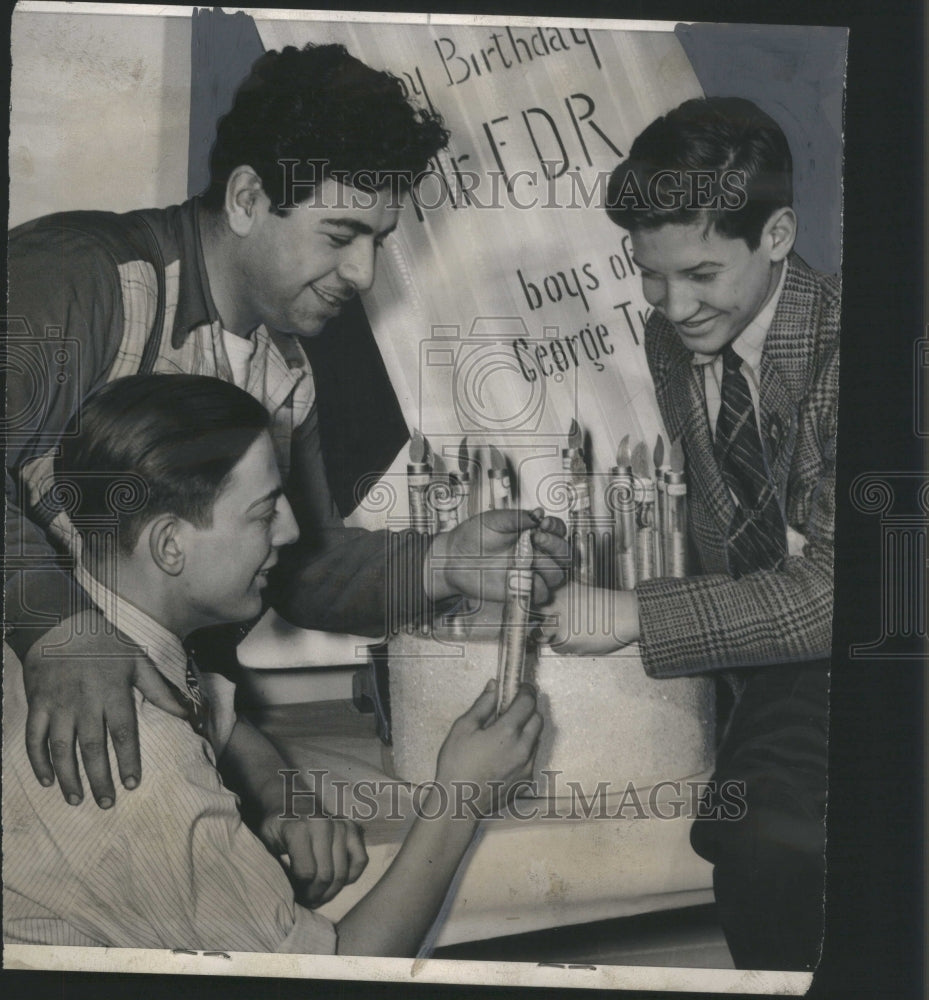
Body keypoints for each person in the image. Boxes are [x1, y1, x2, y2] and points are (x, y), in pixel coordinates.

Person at [4, 42, 568, 810]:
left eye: (378, 240)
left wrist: (440, 564)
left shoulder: (284, 371)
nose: (364, 274)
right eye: (339, 236)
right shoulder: (81, 278)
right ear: (244, 199)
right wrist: (57, 628)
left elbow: (300, 569)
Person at [3, 373, 543, 955]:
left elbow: (217, 719)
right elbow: (328, 982)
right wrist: (458, 800)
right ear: (169, 546)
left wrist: (284, 801)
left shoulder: (75, 653)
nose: (289, 530)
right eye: (264, 513)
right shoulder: (135, 749)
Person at [540, 97, 837, 970]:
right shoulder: (678, 338)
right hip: (775, 661)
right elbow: (722, 515)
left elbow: (850, 592)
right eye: (651, 274)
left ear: (776, 233)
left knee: (766, 845)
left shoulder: (866, 353)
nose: (673, 305)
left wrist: (640, 615)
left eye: (701, 273)